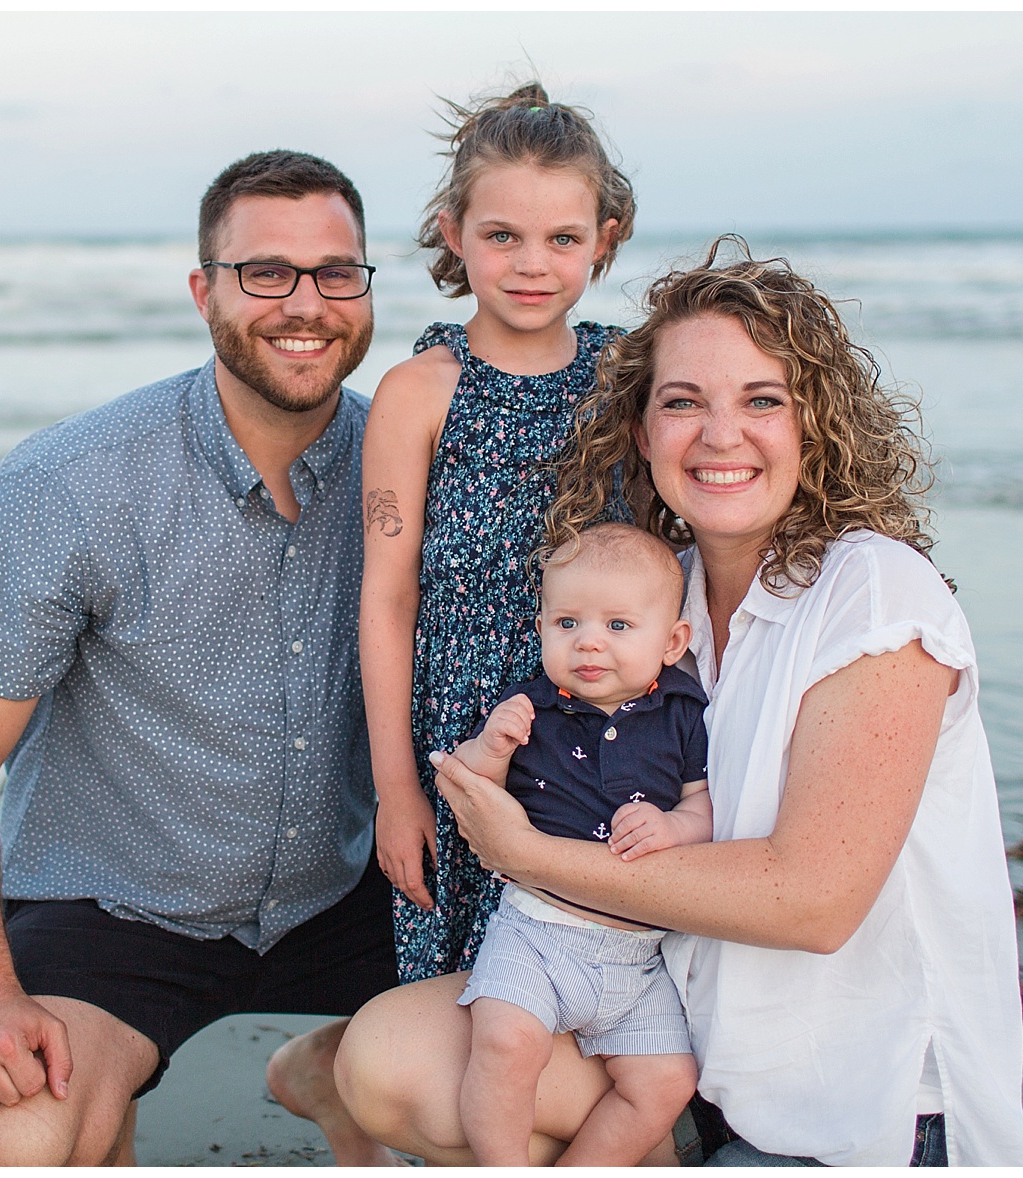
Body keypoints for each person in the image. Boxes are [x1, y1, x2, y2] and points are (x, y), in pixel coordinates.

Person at [336, 239, 1023, 1166]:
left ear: (816, 425)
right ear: (639, 432)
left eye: (761, 401)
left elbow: (812, 901)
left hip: (870, 1118)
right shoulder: (665, 612)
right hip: (706, 1064)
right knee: (389, 1055)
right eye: (681, 402)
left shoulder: (873, 593)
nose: (718, 434)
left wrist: (525, 854)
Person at [0, 149, 402, 1167]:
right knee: (13, 1130)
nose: (305, 302)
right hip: (118, 903)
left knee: (528, 1086)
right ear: (203, 290)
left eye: (335, 271)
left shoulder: (407, 468)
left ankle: (337, 1067)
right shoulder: (69, 488)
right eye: (265, 271)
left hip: (344, 889)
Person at [360, 81, 637, 987]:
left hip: (603, 724)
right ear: (453, 232)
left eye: (562, 238)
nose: (531, 264)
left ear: (605, 238)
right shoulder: (421, 391)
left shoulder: (625, 379)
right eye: (501, 236)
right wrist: (397, 791)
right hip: (463, 735)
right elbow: (388, 596)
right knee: (470, 1001)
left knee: (602, 985)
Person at [451, 522, 709, 1166]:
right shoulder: (529, 707)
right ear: (540, 627)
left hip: (640, 957)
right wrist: (488, 749)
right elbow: (473, 792)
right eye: (567, 623)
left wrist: (675, 827)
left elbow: (703, 805)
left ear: (673, 641)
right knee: (507, 1042)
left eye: (619, 626)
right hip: (538, 931)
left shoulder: (683, 713)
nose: (589, 641)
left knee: (667, 1083)